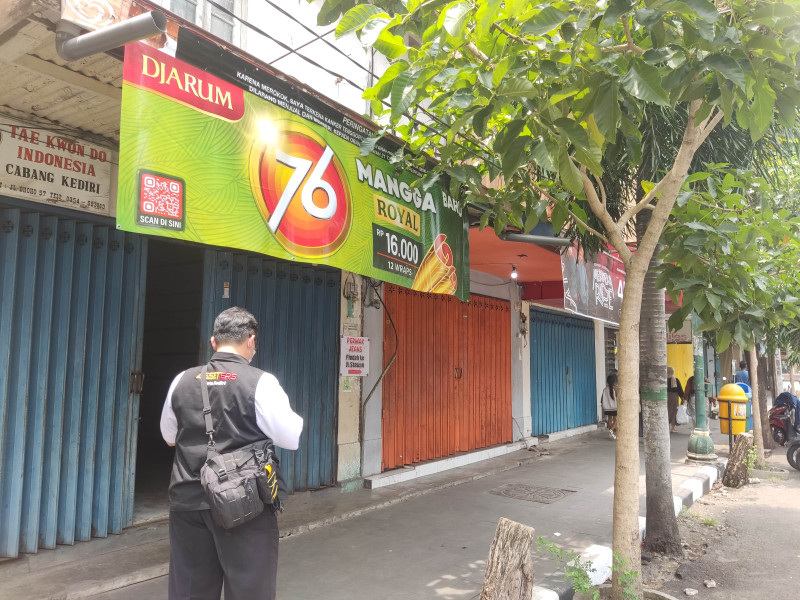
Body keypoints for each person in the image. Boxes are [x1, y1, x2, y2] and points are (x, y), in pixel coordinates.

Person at [160, 307, 303, 600]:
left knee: (190, 591)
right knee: (250, 591)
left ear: (214, 342)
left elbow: (169, 438)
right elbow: (291, 438)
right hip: (244, 506)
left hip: (188, 505)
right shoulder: (261, 382)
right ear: (251, 340)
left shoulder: (181, 380)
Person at [601, 374, 618, 440]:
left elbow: (602, 399)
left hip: (607, 408)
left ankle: (611, 433)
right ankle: (611, 430)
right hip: (614, 407)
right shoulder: (615, 389)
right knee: (617, 420)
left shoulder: (605, 389)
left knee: (610, 420)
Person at [667, 366, 684, 433]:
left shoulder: (663, 380)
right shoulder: (675, 380)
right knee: (674, 411)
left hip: (666, 397)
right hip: (674, 397)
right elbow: (680, 390)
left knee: (667, 411)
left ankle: (667, 426)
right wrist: (682, 398)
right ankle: (673, 427)